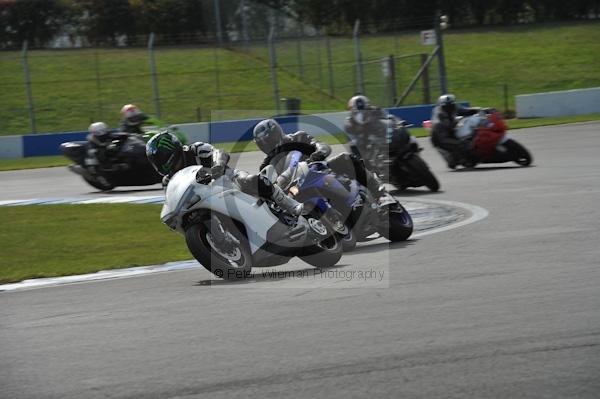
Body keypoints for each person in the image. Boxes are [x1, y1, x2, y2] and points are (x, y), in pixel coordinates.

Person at [146, 130, 303, 216]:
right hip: (202, 200)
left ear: (171, 152)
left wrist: (218, 165)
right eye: (155, 160)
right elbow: (172, 202)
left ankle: (289, 204)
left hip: (226, 181)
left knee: (250, 180)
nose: (159, 163)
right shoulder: (168, 181)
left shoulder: (195, 150)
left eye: (160, 158)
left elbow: (219, 153)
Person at [253, 118, 395, 209]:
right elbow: (265, 184)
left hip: (319, 171)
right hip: (296, 189)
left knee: (346, 159)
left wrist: (319, 152)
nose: (267, 145)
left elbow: (319, 144)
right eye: (263, 143)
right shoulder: (266, 165)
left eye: (268, 140)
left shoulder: (298, 137)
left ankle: (380, 193)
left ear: (276, 134)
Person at [430, 94, 483, 168]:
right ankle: (462, 159)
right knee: (458, 147)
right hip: (440, 137)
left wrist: (478, 110)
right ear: (441, 106)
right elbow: (444, 134)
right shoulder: (439, 116)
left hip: (450, 131)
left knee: (467, 138)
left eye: (451, 105)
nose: (449, 108)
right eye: (446, 107)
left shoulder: (455, 107)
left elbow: (466, 111)